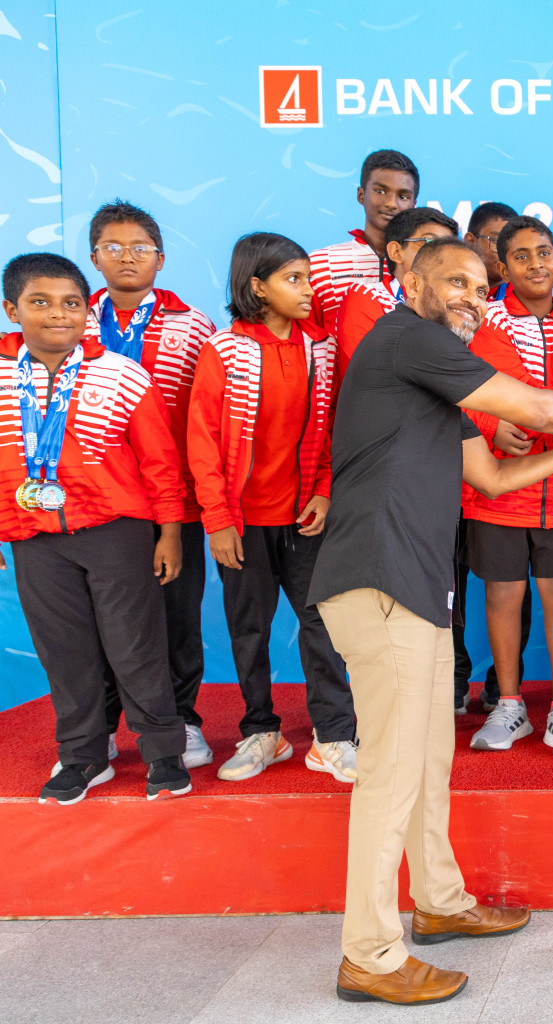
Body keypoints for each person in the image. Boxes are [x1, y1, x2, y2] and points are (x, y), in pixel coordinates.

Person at [308, 237, 553, 1004]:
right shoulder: (406, 338)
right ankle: (369, 952)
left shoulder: (433, 381)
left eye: (479, 286)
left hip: (418, 589)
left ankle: (440, 901)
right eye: (454, 281)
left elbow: (493, 476)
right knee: (393, 773)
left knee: (428, 763)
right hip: (378, 578)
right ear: (408, 281)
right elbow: (530, 407)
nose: (473, 295)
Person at [2, 253, 190, 804]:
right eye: (40, 303)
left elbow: (159, 461)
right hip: (33, 536)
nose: (58, 315)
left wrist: (171, 532)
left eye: (72, 304)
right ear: (12, 309)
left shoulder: (122, 374)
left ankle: (163, 751)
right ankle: (83, 756)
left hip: (116, 532)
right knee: (64, 649)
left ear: (89, 311)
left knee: (136, 645)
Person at [187, 232, 356, 783]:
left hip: (304, 517)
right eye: (294, 279)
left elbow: (333, 430)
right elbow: (203, 444)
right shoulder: (223, 350)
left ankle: (333, 737)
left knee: (324, 626)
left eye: (308, 277)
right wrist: (218, 520)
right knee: (249, 629)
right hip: (242, 523)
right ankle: (262, 731)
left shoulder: (322, 348)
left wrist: (325, 490)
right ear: (257, 287)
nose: (309, 290)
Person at [85, 200, 217, 768]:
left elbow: (207, 418)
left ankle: (183, 719)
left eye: (140, 247)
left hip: (175, 500)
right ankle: (101, 729)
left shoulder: (193, 327)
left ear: (160, 259)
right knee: (98, 622)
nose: (127, 257)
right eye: (113, 248)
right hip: (95, 500)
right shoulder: (72, 320)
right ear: (94, 257)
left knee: (177, 617)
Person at [465, 216, 553, 754]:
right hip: (496, 484)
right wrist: (489, 426)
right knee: (502, 593)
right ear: (503, 266)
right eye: (521, 256)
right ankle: (510, 705)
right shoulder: (483, 320)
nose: (535, 264)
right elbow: (458, 392)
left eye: (543, 252)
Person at [332, 206, 460, 381]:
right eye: (431, 243)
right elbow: (371, 376)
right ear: (396, 252)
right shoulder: (366, 297)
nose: (444, 258)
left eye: (449, 248)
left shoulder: (455, 306)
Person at [307, 149, 419, 330]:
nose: (391, 203)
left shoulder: (425, 267)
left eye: (403, 196)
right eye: (380, 191)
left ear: (414, 204)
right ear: (361, 195)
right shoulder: (320, 264)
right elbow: (308, 338)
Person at [463, 201, 517, 295]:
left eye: (513, 243)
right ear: (470, 241)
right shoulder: (451, 289)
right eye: (497, 241)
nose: (506, 251)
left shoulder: (524, 294)